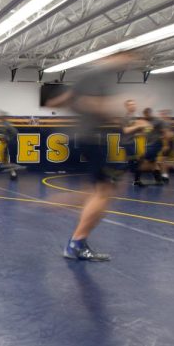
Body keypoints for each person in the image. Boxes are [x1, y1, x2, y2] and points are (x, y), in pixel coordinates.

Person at [46, 52, 141, 261]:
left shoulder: (87, 76)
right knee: (104, 192)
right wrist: (118, 107)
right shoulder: (98, 75)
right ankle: (76, 244)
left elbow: (60, 100)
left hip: (83, 138)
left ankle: (58, 205)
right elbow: (91, 104)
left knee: (97, 191)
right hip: (91, 139)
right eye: (128, 58)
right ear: (113, 56)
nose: (129, 62)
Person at [0, 110, 21, 180]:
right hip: (8, 143)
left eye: (0, 116)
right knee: (6, 159)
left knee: (7, 159)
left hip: (10, 143)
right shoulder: (1, 124)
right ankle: (13, 173)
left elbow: (15, 132)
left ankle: (13, 173)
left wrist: (8, 138)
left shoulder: (6, 124)